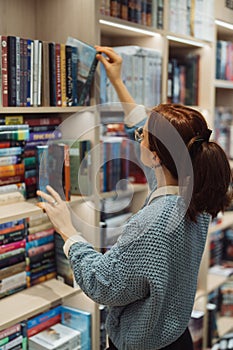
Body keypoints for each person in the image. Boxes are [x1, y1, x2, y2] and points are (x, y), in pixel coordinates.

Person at [37, 46, 233, 350]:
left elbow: (104, 284)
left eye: (143, 137)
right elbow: (146, 128)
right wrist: (117, 80)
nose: (137, 135)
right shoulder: (195, 187)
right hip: (175, 338)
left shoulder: (154, 224)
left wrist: (68, 231)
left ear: (155, 157)